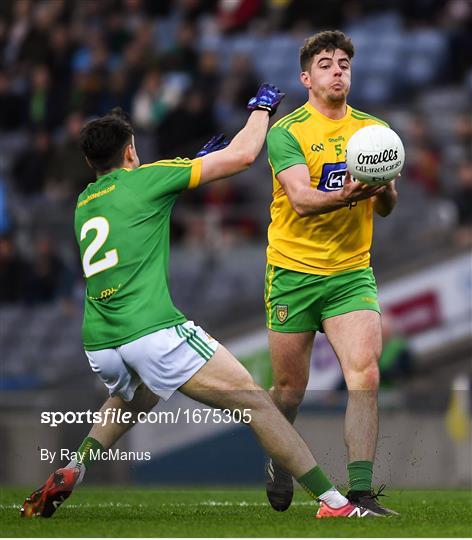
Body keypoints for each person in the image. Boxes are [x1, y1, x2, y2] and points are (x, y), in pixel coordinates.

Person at [21, 85, 380, 520]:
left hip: (101, 343)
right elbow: (245, 154)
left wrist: (189, 164)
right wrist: (261, 110)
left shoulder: (84, 203)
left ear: (88, 163)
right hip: (151, 331)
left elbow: (143, 203)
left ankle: (76, 464)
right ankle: (335, 503)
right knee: (257, 403)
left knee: (141, 393)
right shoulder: (149, 178)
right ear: (131, 150)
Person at [263, 30, 399, 516]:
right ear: (306, 77)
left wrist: (379, 187)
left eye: (344, 62)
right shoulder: (287, 132)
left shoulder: (374, 132)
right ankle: (281, 457)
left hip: (349, 274)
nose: (337, 69)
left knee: (364, 373)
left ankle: (359, 494)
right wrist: (348, 194)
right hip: (293, 273)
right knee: (289, 390)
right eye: (325, 63)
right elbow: (300, 200)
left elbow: (386, 207)